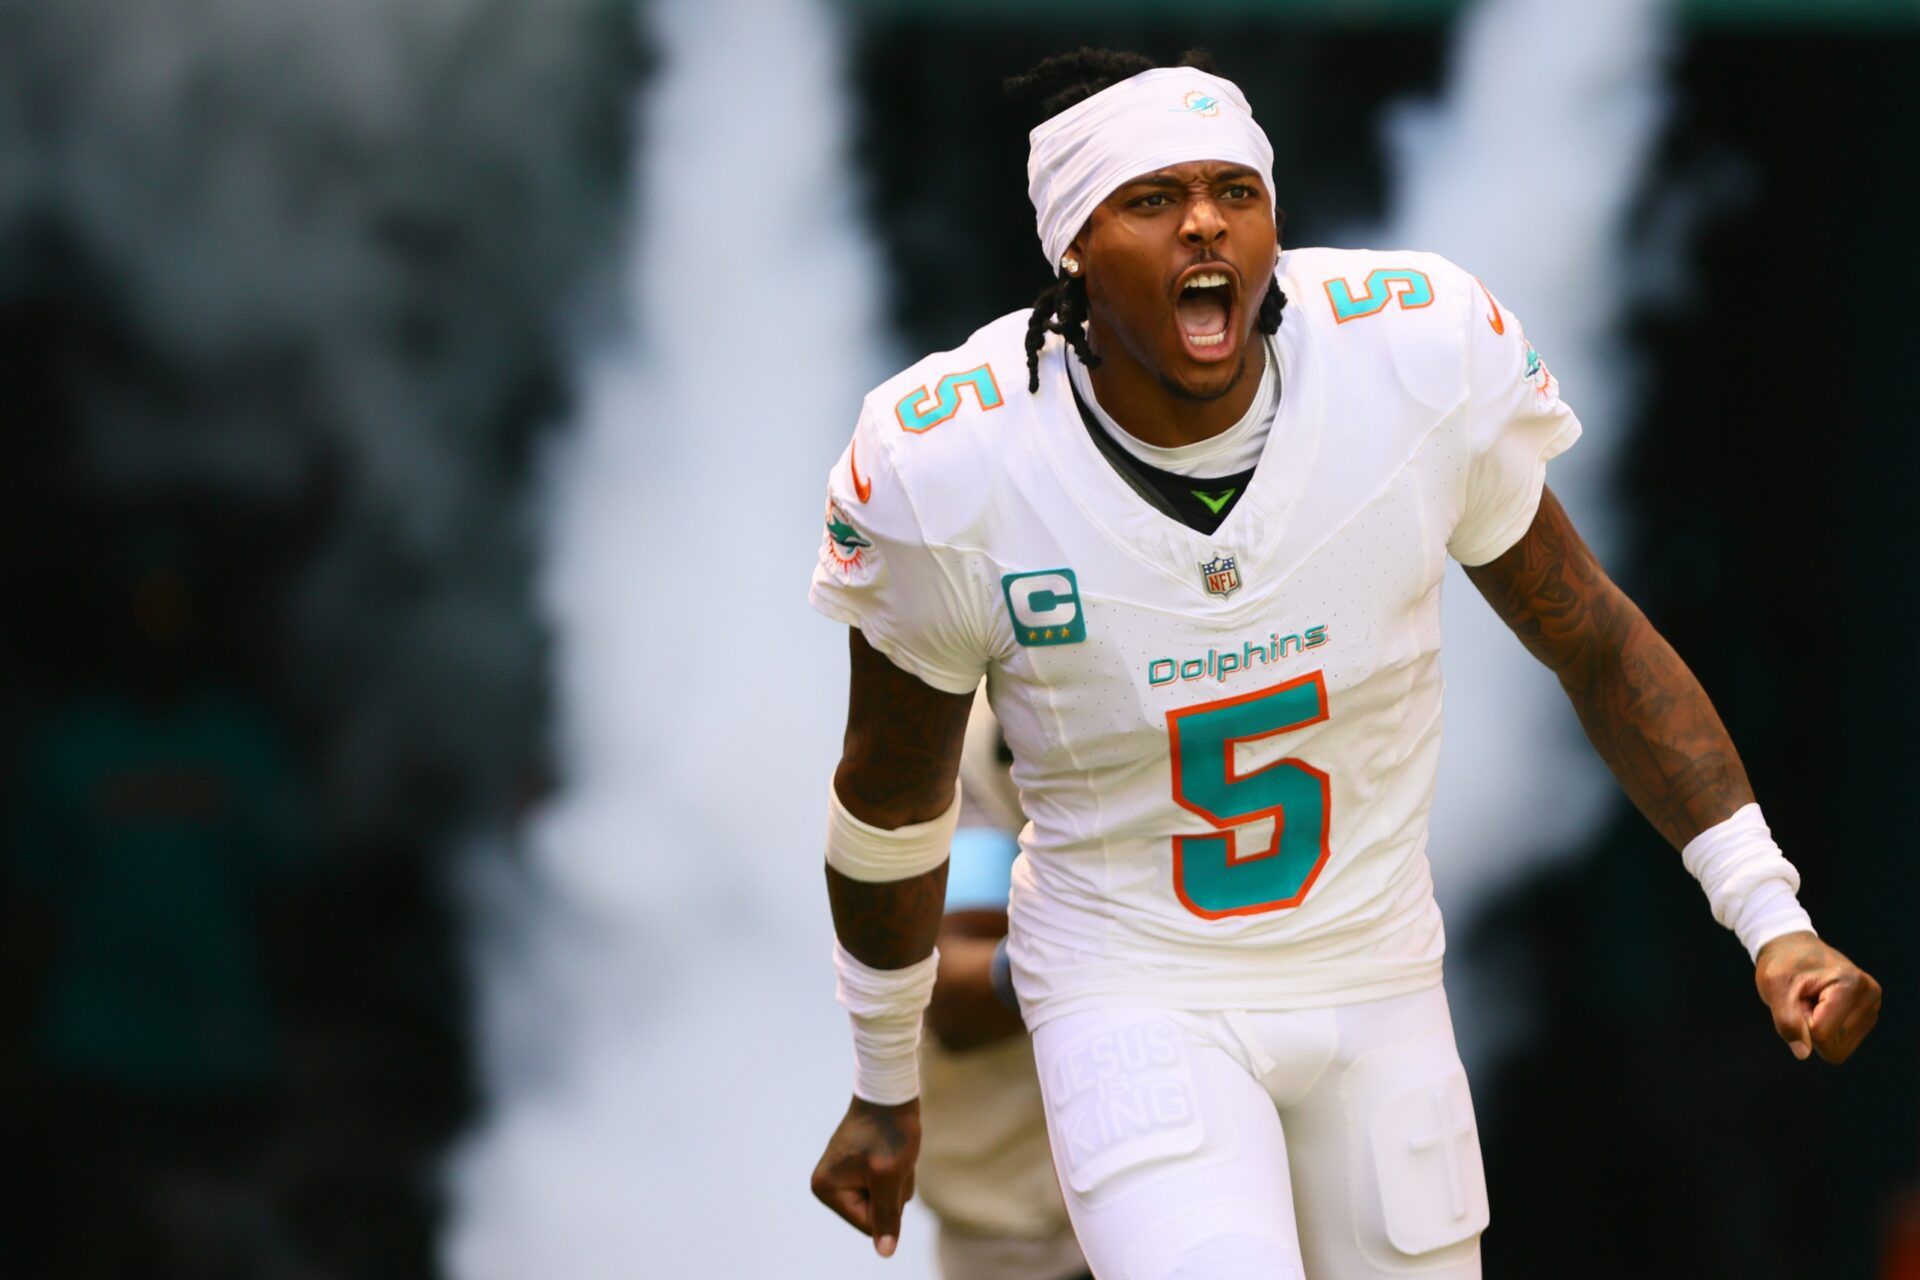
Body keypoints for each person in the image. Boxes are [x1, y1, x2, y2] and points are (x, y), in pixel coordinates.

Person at [806, 47, 1881, 1278]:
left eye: (1235, 189)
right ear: (1073, 253)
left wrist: (1771, 918)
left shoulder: (1410, 357)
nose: (1204, 220)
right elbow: (890, 799)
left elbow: (1593, 637)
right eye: (1151, 199)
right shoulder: (954, 457)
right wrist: (884, 1079)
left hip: (1376, 973)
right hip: (1136, 986)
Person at [918, 690, 1088, 1280]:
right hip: (1032, 1233)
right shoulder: (976, 738)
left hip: (1229, 1184)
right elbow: (952, 987)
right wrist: (1108, 950)